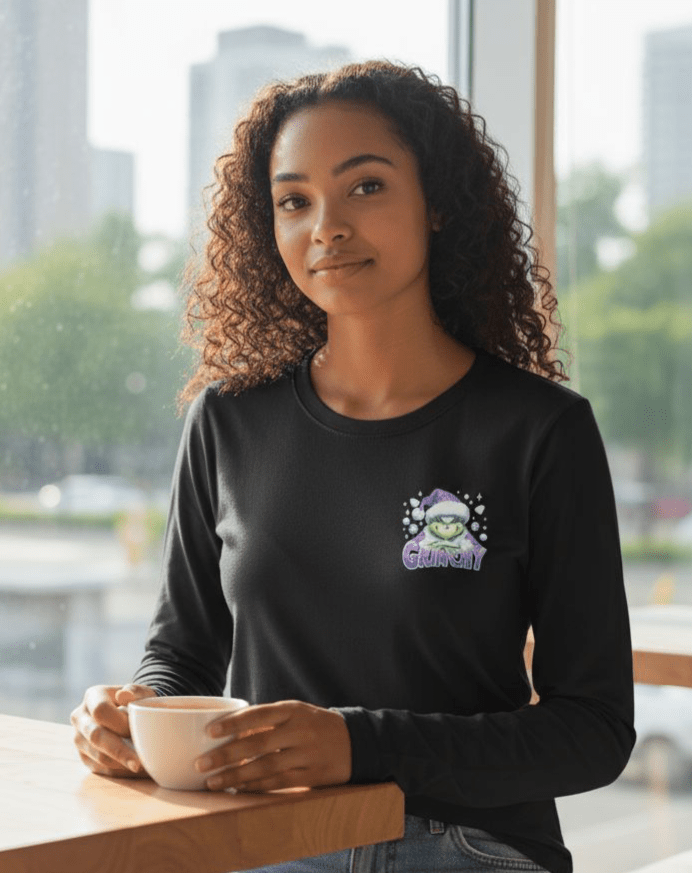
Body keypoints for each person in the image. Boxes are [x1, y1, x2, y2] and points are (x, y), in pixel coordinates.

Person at [71, 60, 635, 873]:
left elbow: (593, 730)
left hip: (468, 847)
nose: (325, 226)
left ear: (437, 202)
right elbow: (182, 654)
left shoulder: (540, 429)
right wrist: (132, 711)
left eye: (365, 187)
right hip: (265, 842)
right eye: (294, 200)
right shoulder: (227, 421)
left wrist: (356, 743)